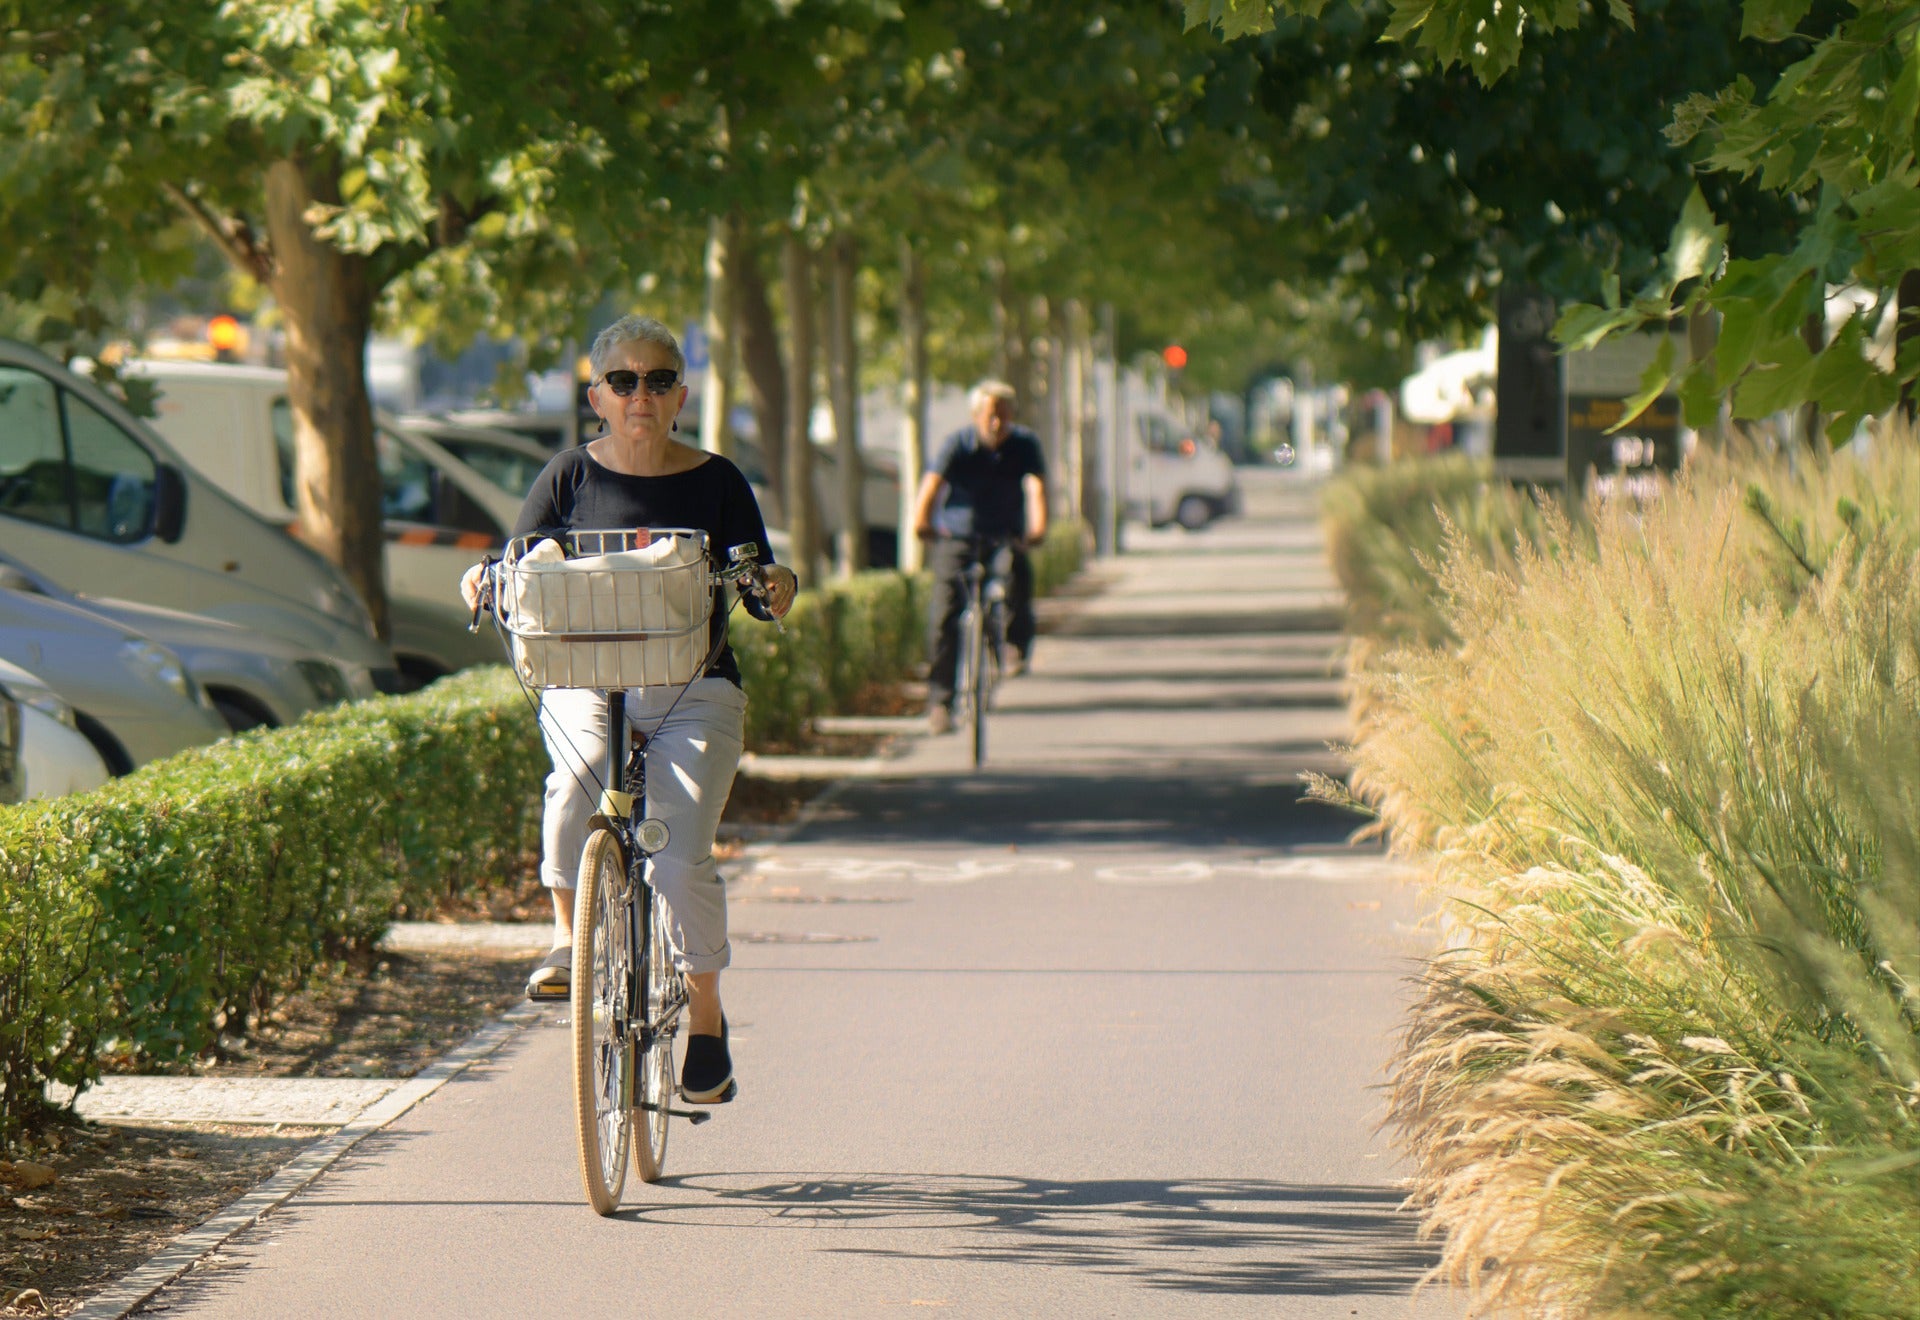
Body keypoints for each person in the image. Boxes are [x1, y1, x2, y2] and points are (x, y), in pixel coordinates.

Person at [461, 313, 797, 1103]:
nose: (639, 394)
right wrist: (480, 580)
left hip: (693, 689)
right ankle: (567, 941)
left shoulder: (718, 482)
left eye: (656, 381)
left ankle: (706, 1018)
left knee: (678, 856)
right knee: (573, 789)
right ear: (597, 397)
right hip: (584, 679)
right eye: (623, 381)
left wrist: (776, 586)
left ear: (679, 395)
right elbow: (510, 562)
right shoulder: (565, 478)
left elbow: (757, 576)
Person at [911, 379, 1048, 734]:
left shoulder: (1025, 445)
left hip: (1004, 535)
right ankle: (941, 703)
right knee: (944, 614)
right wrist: (922, 521)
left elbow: (1035, 488)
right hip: (959, 537)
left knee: (1019, 573)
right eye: (990, 415)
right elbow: (932, 485)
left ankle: (1015, 646)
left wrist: (1038, 527)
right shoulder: (957, 444)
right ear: (976, 416)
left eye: (1004, 415)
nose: (997, 423)